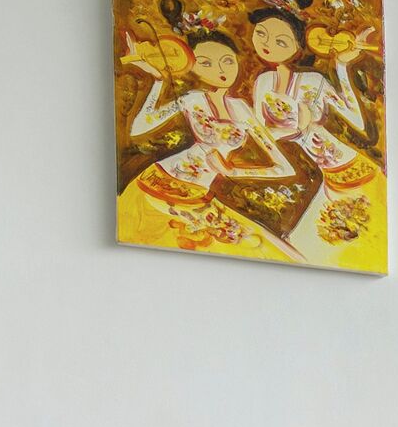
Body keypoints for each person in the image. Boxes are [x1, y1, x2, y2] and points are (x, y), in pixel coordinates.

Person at [117, 14, 298, 260]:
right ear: (192, 67)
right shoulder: (191, 99)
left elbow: (283, 167)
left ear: (238, 61)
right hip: (156, 184)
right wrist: (158, 81)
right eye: (206, 63)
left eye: (227, 61)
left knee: (270, 252)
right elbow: (139, 128)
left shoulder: (242, 109)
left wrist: (232, 171)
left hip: (199, 198)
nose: (220, 71)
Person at [241, 0, 384, 270]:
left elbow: (357, 120)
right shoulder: (263, 82)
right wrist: (298, 126)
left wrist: (342, 67)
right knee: (311, 247)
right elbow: (263, 133)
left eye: (281, 41)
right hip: (317, 172)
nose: (268, 45)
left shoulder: (313, 81)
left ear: (297, 47)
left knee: (352, 243)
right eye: (261, 35)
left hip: (348, 167)